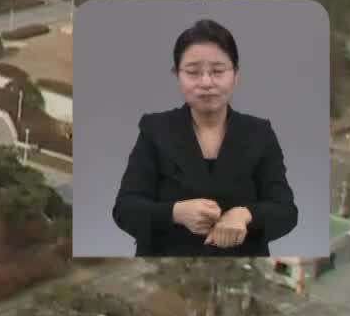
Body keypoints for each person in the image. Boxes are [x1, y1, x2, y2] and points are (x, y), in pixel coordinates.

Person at [112, 19, 298, 256]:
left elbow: (286, 211)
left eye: (218, 71)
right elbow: (125, 209)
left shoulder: (260, 133)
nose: (206, 82)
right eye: (193, 72)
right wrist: (175, 213)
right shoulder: (155, 130)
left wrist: (244, 215)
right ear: (177, 75)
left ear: (236, 75)